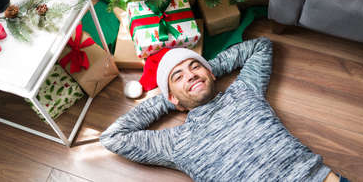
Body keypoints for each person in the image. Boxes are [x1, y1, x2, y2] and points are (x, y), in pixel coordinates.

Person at [100, 37, 349, 182]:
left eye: (194, 67)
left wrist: (206, 72)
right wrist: (170, 98)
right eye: (178, 76)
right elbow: (113, 137)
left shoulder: (244, 91)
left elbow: (260, 46)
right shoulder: (175, 143)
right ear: (172, 99)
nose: (190, 74)